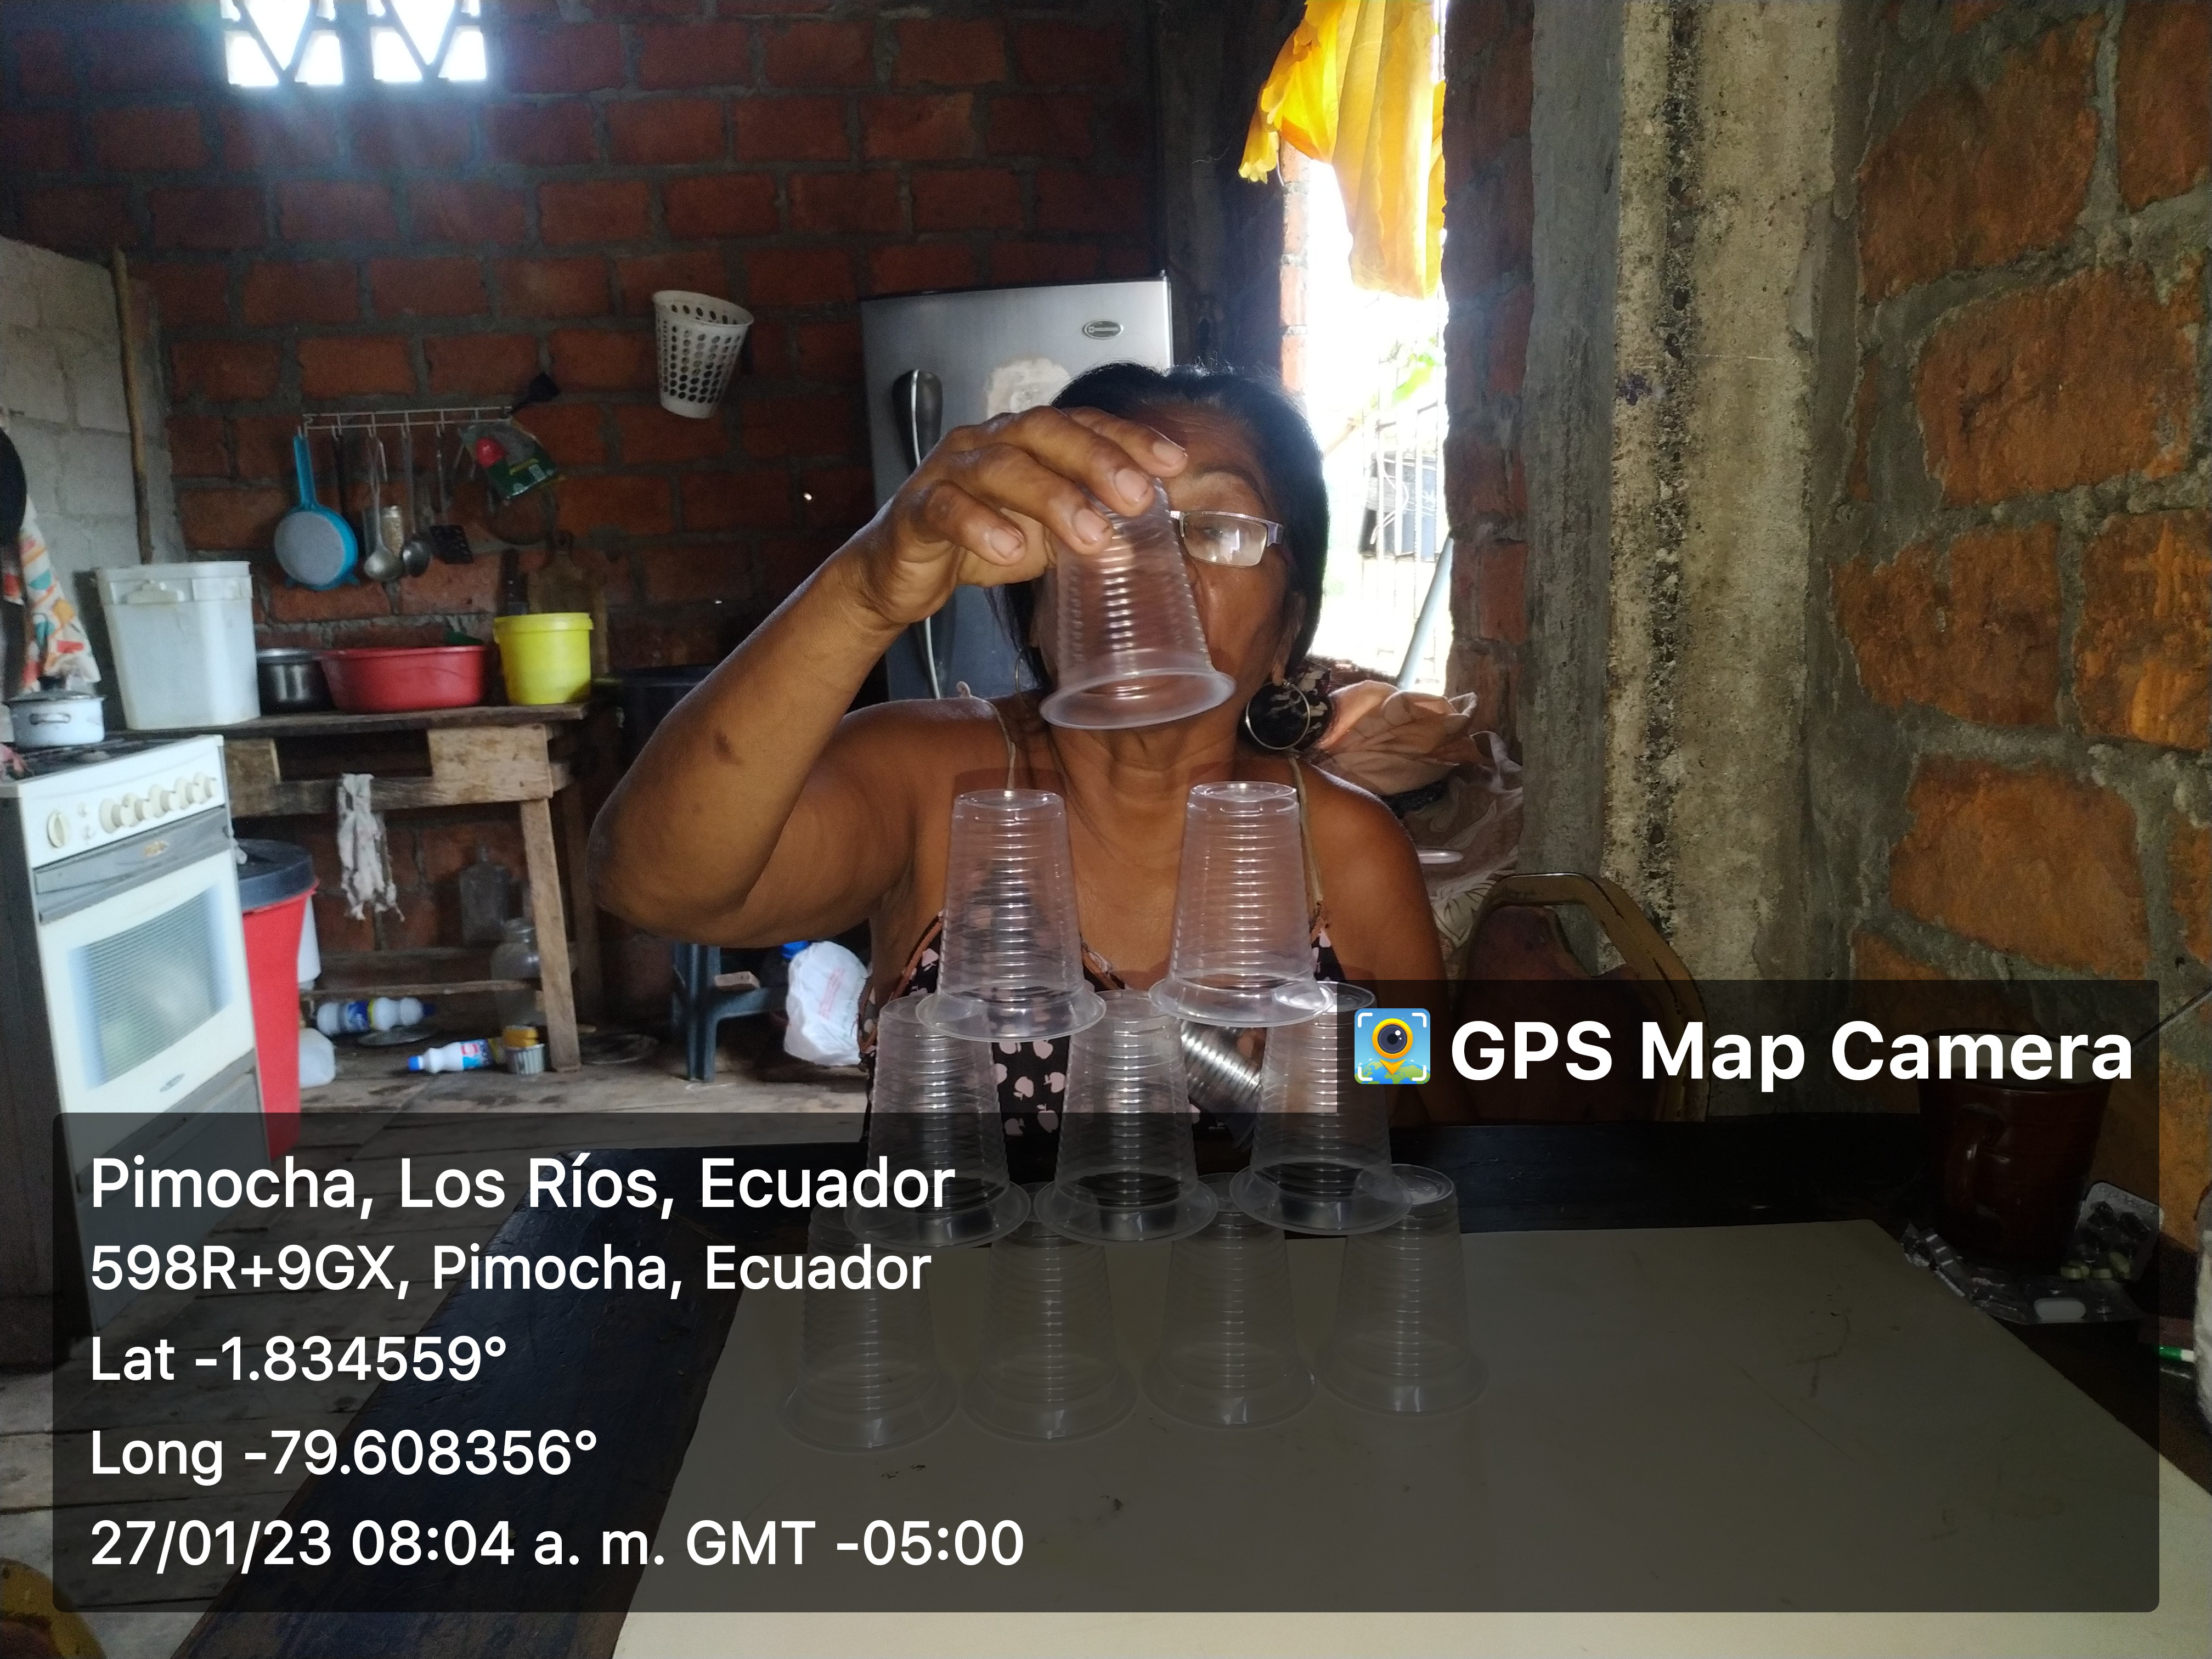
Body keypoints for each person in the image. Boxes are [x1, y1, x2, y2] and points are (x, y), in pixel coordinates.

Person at [591, 364, 1448, 1169]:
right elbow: (656, 884)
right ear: (1040, 609)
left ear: (1289, 625)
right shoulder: (938, 785)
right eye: (1114, 524)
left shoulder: (1347, 852)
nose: (1160, 566)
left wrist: (1346, 1092)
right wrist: (866, 591)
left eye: (1220, 529)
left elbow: (1424, 1124)